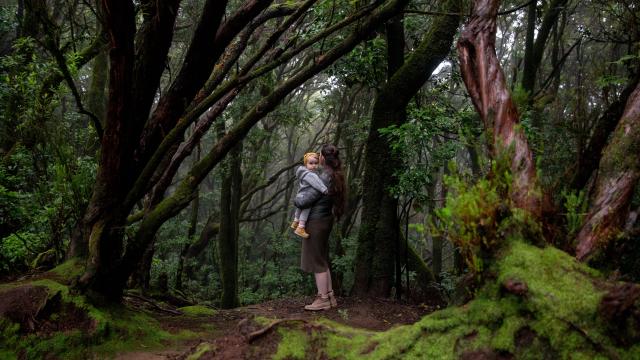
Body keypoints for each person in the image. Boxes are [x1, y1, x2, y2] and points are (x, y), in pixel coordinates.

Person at [294, 144, 346, 311]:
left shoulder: (324, 177)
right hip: (325, 219)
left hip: (316, 221)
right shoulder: (334, 174)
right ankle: (329, 295)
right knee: (322, 259)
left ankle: (322, 298)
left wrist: (297, 200)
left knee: (317, 261)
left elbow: (304, 201)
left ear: (323, 158)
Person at [291, 152, 328, 239]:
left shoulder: (303, 173)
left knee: (300, 207)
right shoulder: (310, 174)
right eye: (311, 163)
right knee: (307, 208)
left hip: (300, 195)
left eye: (316, 163)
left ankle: (295, 221)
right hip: (306, 196)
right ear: (305, 164)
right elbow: (317, 184)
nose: (314, 165)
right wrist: (325, 190)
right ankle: (300, 227)